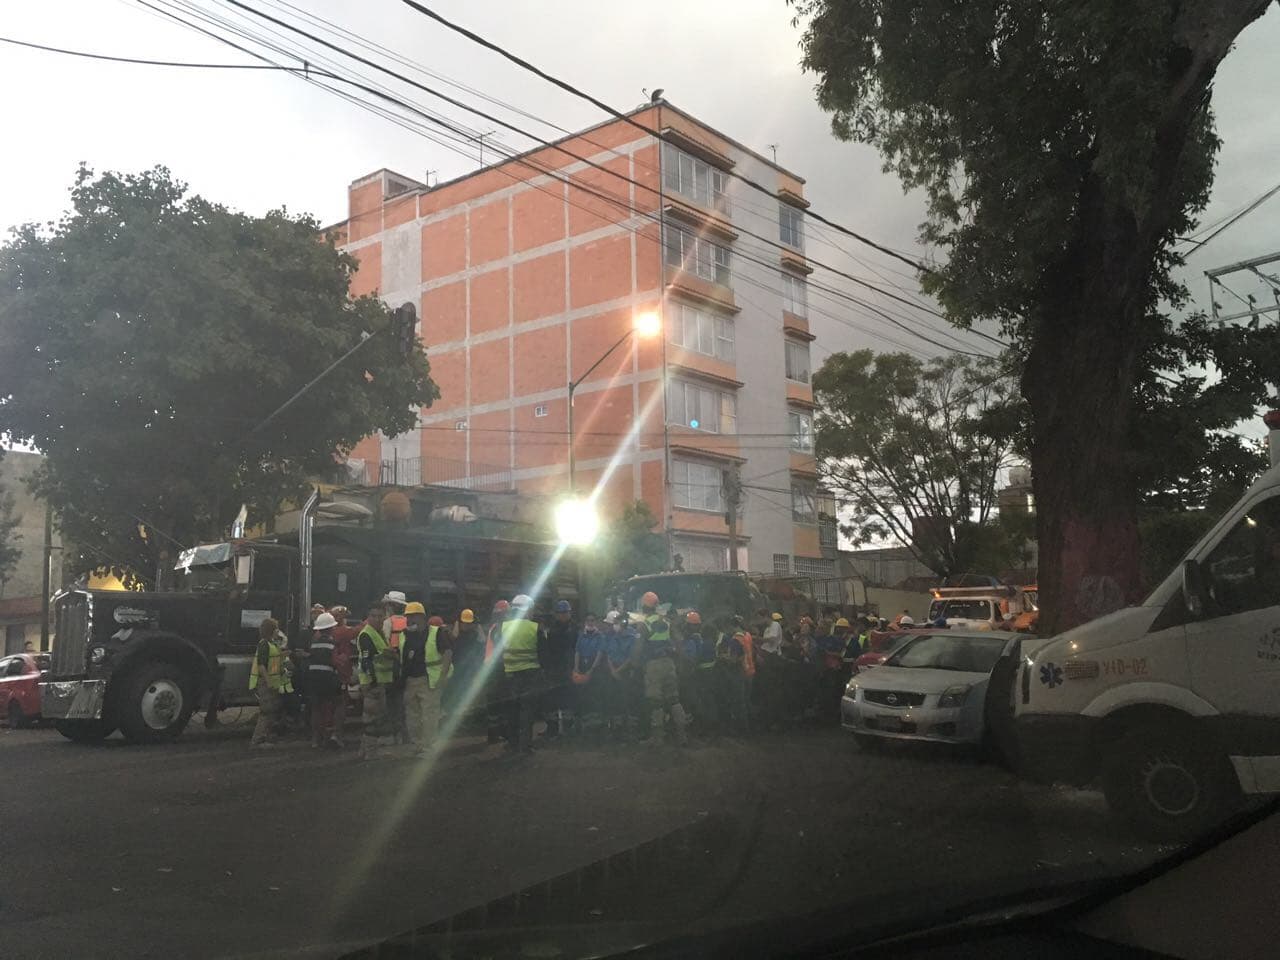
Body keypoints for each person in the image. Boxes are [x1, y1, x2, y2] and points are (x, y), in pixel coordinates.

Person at [636, 591, 688, 746]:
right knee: (674, 700)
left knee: (655, 702)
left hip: (653, 665)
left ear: (644, 607)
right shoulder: (666, 621)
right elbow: (679, 642)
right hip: (669, 663)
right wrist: (680, 662)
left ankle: (657, 738)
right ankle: (682, 736)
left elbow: (638, 648)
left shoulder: (644, 624)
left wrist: (634, 664)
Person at [400, 605, 452, 758]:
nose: (409, 620)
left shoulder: (436, 633)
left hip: (429, 680)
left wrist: (443, 676)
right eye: (408, 616)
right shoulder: (405, 634)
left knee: (429, 716)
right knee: (412, 716)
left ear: (422, 617)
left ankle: (428, 747)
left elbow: (447, 653)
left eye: (413, 616)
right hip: (410, 680)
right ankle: (417, 745)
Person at [499, 594, 543, 754]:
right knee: (527, 711)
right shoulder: (535, 628)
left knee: (512, 711)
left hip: (510, 675)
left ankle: (512, 744)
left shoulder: (503, 627)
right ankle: (525, 746)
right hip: (531, 674)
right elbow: (543, 652)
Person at [356, 602, 397, 760]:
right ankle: (371, 752)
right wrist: (372, 682)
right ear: (368, 617)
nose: (377, 619)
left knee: (373, 717)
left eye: (380, 616)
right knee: (373, 719)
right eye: (374, 616)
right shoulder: (367, 634)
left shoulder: (379, 633)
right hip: (373, 682)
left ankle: (364, 751)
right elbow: (367, 660)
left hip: (379, 681)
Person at [249, 617, 292, 749]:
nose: (278, 631)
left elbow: (272, 660)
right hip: (266, 682)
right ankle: (257, 741)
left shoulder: (270, 644)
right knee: (266, 712)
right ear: (271, 630)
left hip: (273, 682)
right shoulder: (264, 644)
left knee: (272, 710)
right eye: (276, 628)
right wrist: (268, 681)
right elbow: (261, 665)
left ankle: (265, 738)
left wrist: (283, 655)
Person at [306, 612, 344, 748]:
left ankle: (315, 740)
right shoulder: (332, 643)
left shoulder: (314, 643)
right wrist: (342, 660)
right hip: (328, 677)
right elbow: (335, 661)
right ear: (331, 628)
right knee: (339, 703)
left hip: (313, 677)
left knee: (316, 708)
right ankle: (336, 735)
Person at [541, 599, 577, 738]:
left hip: (568, 669)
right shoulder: (552, 629)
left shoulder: (574, 629)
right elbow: (547, 649)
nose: (562, 615)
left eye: (565, 612)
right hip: (554, 669)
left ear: (569, 613)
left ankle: (568, 728)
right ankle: (552, 729)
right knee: (551, 701)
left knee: (567, 700)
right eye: (560, 613)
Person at [677, 610, 717, 735]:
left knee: (695, 700)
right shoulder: (699, 638)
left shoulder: (695, 638)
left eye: (688, 624)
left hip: (696, 674)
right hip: (701, 673)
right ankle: (704, 725)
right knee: (700, 700)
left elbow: (694, 658)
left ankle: (700, 726)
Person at [603, 610, 640, 738]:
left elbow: (631, 657)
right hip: (613, 671)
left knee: (627, 700)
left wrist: (618, 671)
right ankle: (617, 728)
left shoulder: (632, 637)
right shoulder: (614, 637)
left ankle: (629, 729)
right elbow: (609, 654)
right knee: (614, 700)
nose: (614, 626)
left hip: (626, 672)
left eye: (616, 623)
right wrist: (613, 670)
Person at [445, 608, 484, 721]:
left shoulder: (474, 633)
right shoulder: (456, 633)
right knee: (456, 688)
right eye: (464, 623)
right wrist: (457, 624)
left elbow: (482, 640)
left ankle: (465, 711)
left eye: (469, 623)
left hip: (469, 667)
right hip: (457, 666)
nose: (466, 625)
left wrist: (478, 625)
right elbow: (454, 636)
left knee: (467, 688)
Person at [714, 615, 749, 736]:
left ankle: (740, 729)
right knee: (743, 701)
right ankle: (745, 728)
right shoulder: (746, 636)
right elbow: (743, 655)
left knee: (737, 701)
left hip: (737, 672)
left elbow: (733, 660)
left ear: (729, 626)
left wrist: (722, 657)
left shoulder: (735, 640)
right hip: (746, 670)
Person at [573, 613, 607, 733]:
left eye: (592, 620)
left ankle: (596, 726)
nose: (590, 623)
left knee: (594, 695)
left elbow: (599, 653)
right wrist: (576, 667)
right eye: (588, 620)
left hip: (594, 668)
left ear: (596, 622)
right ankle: (582, 724)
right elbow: (577, 651)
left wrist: (591, 669)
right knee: (581, 695)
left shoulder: (600, 636)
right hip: (582, 666)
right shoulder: (581, 635)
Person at [329, 606, 357, 747]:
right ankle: (336, 734)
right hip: (341, 673)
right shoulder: (344, 631)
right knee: (341, 705)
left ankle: (320, 737)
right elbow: (360, 629)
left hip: (327, 673)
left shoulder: (320, 633)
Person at [484, 599, 510, 744]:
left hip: (490, 669)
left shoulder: (493, 628)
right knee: (502, 702)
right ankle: (501, 733)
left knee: (494, 703)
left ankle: (493, 734)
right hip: (499, 669)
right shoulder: (501, 629)